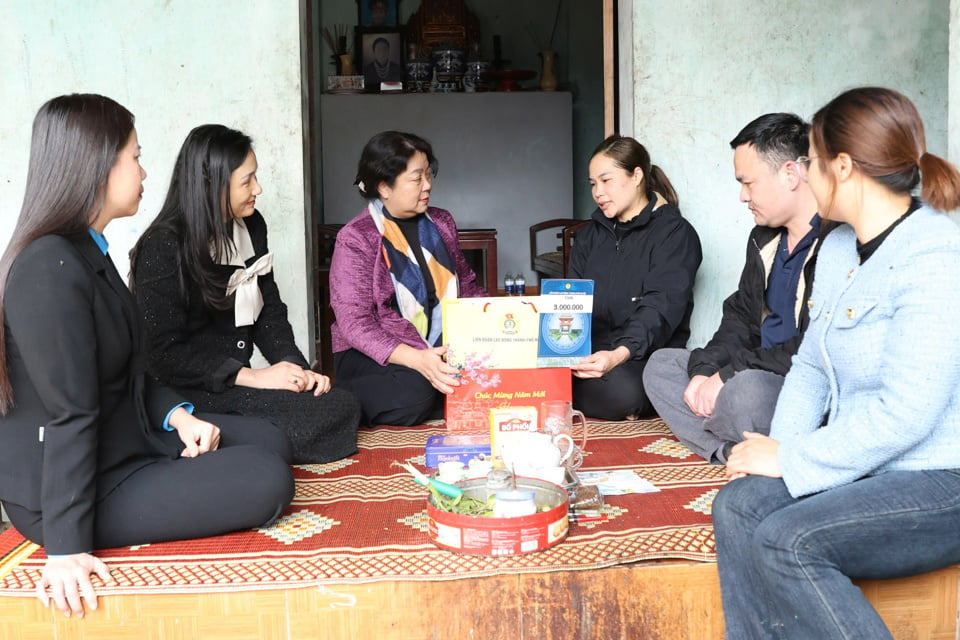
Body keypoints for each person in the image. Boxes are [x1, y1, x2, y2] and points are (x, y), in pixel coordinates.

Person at [0, 94, 295, 619]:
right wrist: (66, 548)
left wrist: (179, 418)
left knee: (271, 438)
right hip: (74, 488)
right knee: (266, 479)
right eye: (135, 156)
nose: (143, 170)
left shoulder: (88, 251)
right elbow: (70, 411)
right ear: (96, 164)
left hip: (122, 440)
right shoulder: (48, 269)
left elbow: (131, 366)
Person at [713, 87, 960, 639]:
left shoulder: (935, 255)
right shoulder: (841, 247)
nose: (805, 175)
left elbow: (908, 416)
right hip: (866, 464)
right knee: (739, 505)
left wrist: (796, 457)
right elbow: (811, 369)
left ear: (843, 166)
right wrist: (773, 453)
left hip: (940, 478)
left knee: (787, 540)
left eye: (814, 163)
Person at [130, 124, 360, 464]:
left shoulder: (252, 225)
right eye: (246, 181)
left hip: (235, 384)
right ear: (212, 186)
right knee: (301, 425)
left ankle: (242, 436)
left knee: (341, 403)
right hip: (187, 391)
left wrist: (292, 369)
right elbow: (164, 355)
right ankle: (204, 435)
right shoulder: (162, 247)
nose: (258, 188)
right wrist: (255, 377)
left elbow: (270, 311)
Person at [644, 113, 831, 463]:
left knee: (745, 393)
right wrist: (705, 372)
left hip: (799, 385)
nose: (743, 197)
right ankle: (730, 450)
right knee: (662, 366)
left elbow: (815, 345)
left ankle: (743, 433)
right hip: (753, 370)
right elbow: (741, 318)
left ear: (790, 173)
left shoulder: (834, 242)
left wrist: (730, 375)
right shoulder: (764, 238)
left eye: (749, 183)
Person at [330, 130, 486, 426]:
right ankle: (344, 399)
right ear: (384, 187)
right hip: (374, 351)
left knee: (491, 374)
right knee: (415, 392)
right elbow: (354, 323)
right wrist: (418, 360)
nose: (427, 185)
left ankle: (436, 386)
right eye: (417, 178)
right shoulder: (356, 237)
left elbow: (467, 288)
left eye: (429, 175)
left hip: (438, 346)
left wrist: (502, 326)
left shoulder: (441, 222)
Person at [568, 134, 702, 420]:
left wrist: (617, 355)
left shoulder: (674, 234)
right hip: (593, 356)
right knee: (533, 375)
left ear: (637, 175)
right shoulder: (588, 236)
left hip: (642, 356)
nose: (597, 192)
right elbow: (571, 301)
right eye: (593, 184)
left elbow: (661, 307)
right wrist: (563, 353)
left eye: (606, 180)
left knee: (623, 391)